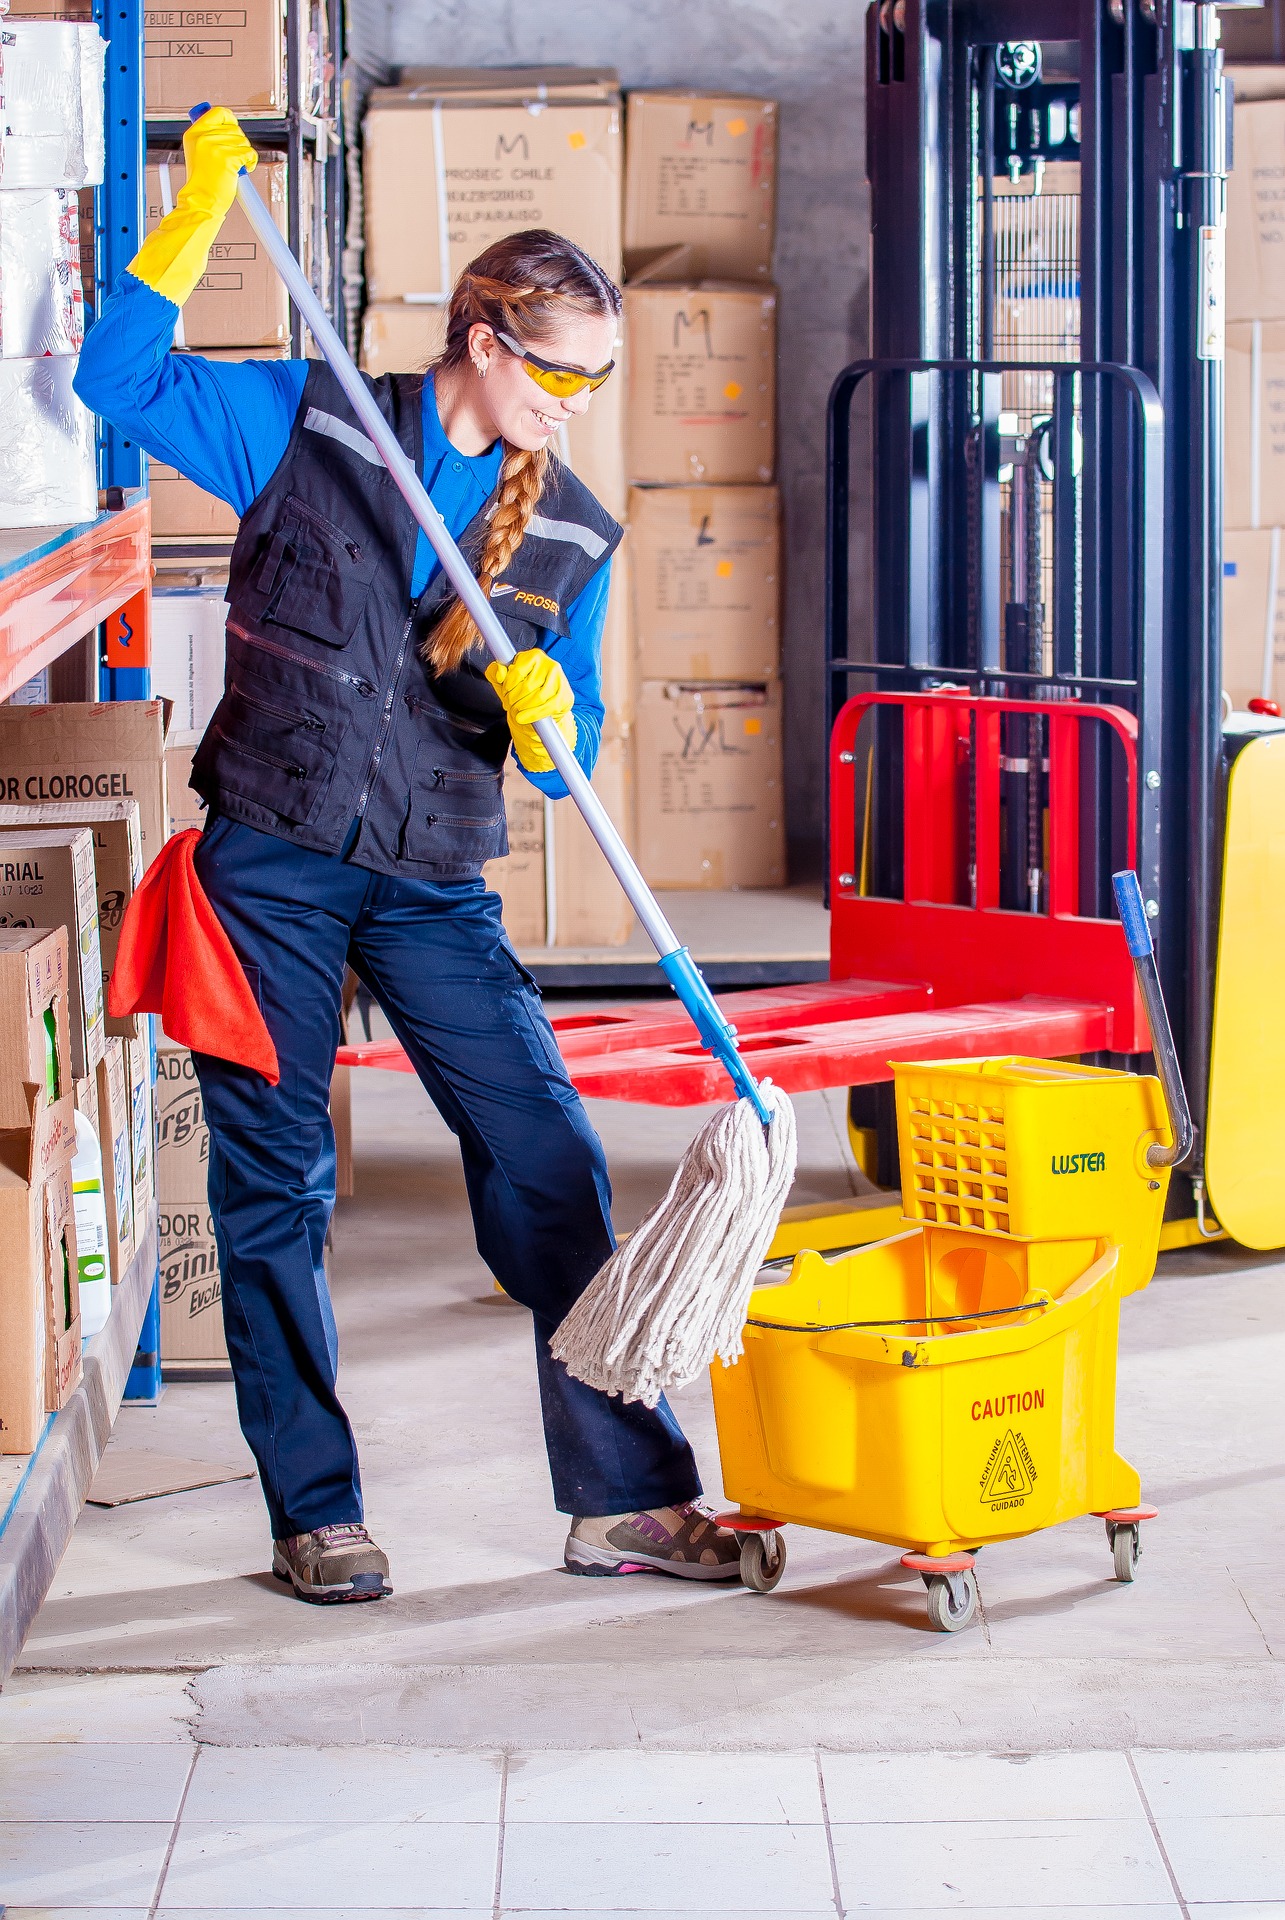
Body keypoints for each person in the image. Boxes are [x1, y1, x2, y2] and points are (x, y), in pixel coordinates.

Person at [75, 107, 744, 1602]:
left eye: (598, 377)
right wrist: (189, 222)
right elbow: (111, 382)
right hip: (272, 864)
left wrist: (551, 714)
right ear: (484, 342)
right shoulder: (311, 423)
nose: (578, 404)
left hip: (434, 878)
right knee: (274, 1185)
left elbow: (558, 778)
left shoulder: (566, 528)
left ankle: (621, 1499)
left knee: (549, 1159)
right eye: (561, 371)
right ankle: (314, 1512)